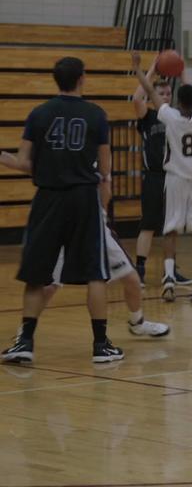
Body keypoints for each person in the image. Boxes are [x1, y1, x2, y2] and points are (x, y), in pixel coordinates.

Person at [0, 57, 124, 363]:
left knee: (36, 272)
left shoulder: (38, 113)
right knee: (95, 273)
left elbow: (25, 164)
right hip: (83, 198)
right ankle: (100, 345)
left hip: (49, 198)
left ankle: (25, 342)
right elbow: (105, 166)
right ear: (82, 78)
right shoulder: (96, 114)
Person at [133, 51, 192, 303]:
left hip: (175, 179)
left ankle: (168, 276)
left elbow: (148, 90)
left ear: (177, 101)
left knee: (170, 229)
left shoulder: (169, 115)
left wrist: (138, 69)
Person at [131, 59, 192, 288]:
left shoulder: (177, 117)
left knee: (172, 226)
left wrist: (183, 71)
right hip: (154, 177)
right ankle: (139, 270)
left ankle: (171, 271)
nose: (166, 96)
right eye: (162, 92)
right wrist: (152, 71)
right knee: (148, 225)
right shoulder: (147, 116)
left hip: (174, 177)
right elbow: (137, 98)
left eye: (168, 93)